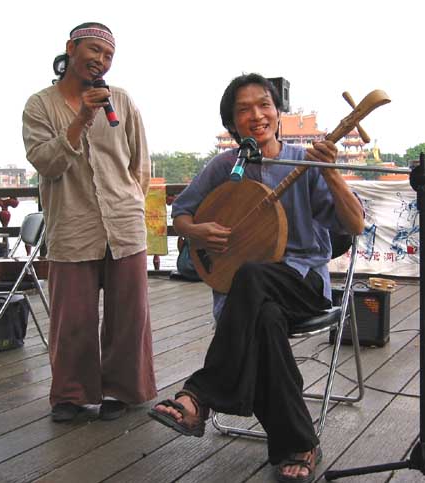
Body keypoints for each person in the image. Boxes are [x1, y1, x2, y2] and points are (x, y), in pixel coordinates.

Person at [148, 73, 364, 482]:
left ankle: (200, 393)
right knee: (264, 320)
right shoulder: (224, 166)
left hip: (302, 283)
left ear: (278, 112)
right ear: (231, 122)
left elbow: (354, 225)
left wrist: (331, 172)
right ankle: (299, 443)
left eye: (264, 105)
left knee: (251, 276)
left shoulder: (305, 161)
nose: (256, 115)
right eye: (244, 109)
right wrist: (198, 231)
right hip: (250, 298)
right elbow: (182, 214)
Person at [22, 22, 157, 423]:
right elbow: (46, 162)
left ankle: (122, 390)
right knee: (73, 318)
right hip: (71, 225)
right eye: (94, 50)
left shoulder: (122, 100)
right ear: (71, 48)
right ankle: (71, 394)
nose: (101, 60)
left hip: (124, 224)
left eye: (108, 55)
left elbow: (140, 164)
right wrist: (82, 117)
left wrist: (132, 201)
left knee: (128, 317)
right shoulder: (39, 105)